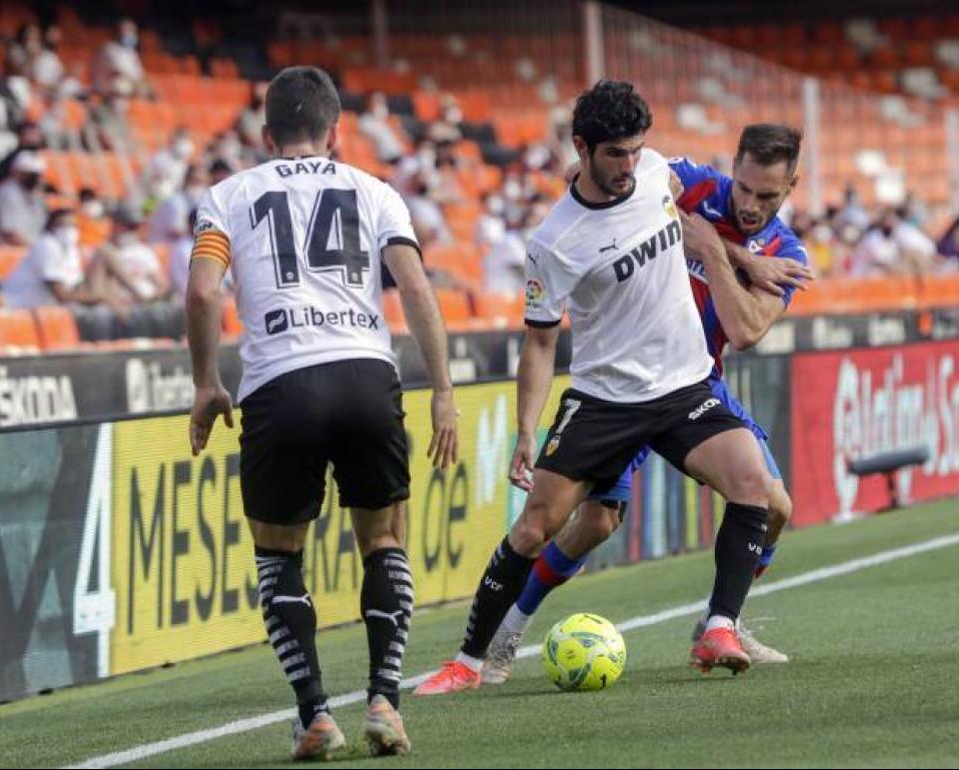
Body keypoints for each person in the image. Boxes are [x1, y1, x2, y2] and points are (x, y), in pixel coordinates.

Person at [414, 80, 778, 697]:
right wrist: (527, 429)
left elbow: (715, 211)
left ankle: (719, 627)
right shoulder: (554, 243)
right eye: (615, 153)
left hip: (685, 386)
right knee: (536, 527)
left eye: (636, 150)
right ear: (583, 148)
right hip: (605, 399)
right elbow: (538, 341)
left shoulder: (658, 172)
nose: (629, 166)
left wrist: (750, 262)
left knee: (756, 488)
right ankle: (469, 663)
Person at [185, 65, 457, 761]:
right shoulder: (374, 191)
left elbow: (201, 290)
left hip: (280, 381)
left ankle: (314, 715)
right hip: (367, 373)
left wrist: (205, 383)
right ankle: (385, 702)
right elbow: (416, 286)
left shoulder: (228, 195)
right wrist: (444, 391)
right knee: (384, 539)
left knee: (279, 556)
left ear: (267, 134)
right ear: (335, 132)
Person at [480, 123, 817, 684]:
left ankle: (719, 622)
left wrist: (713, 248)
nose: (752, 205)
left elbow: (744, 327)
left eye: (769, 195)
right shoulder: (691, 183)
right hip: (622, 378)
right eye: (746, 188)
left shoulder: (785, 252)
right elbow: (582, 180)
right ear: (732, 165)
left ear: (792, 186)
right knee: (593, 522)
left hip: (695, 383)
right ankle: (507, 632)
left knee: (774, 505)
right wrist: (735, 255)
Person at [0, 209, 102, 308]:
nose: (69, 230)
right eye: (63, 225)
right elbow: (61, 296)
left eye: (73, 226)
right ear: (51, 227)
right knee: (104, 254)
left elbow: (76, 287)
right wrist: (99, 296)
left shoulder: (71, 250)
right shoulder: (46, 245)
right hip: (18, 308)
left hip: (46, 310)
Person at [0, 151, 47, 246]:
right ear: (17, 172)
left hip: (20, 251)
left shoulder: (35, 196)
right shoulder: (7, 193)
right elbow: (11, 235)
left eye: (38, 175)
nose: (36, 179)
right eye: (31, 175)